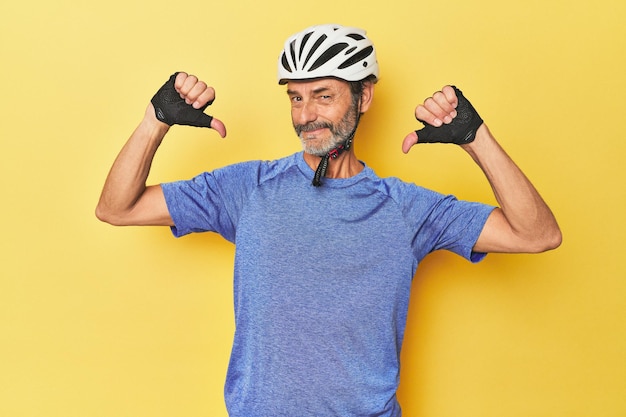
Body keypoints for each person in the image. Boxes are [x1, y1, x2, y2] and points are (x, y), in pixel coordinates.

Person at [96, 24, 561, 417]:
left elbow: (537, 234)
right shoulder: (249, 188)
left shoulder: (404, 209)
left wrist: (474, 138)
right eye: (296, 98)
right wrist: (155, 120)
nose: (306, 116)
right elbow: (118, 208)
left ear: (364, 97)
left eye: (323, 96)